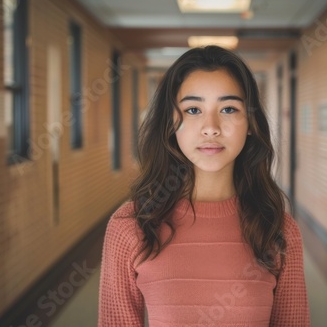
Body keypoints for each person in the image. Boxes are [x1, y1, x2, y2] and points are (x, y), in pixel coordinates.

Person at [98, 45, 310, 326]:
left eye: (229, 108)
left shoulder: (278, 229)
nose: (211, 128)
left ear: (249, 122)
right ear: (171, 122)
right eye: (193, 109)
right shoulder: (130, 226)